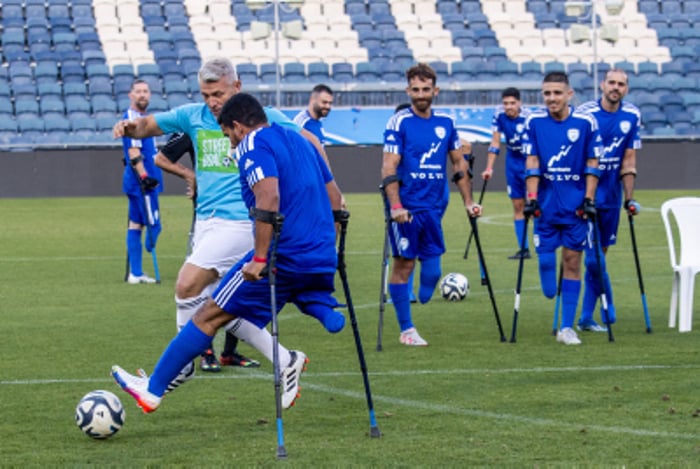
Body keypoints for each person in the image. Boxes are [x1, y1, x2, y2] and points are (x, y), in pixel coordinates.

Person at [111, 57, 335, 396]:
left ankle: (179, 368)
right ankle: (285, 358)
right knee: (222, 305)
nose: (213, 102)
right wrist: (129, 128)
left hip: (242, 223)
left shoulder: (262, 117)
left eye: (218, 93)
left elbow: (309, 142)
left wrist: (331, 190)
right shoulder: (192, 116)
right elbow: (148, 126)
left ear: (237, 87)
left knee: (186, 285)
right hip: (207, 221)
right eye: (206, 95)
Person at [381, 63, 481, 347]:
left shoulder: (446, 124)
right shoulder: (399, 122)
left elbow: (459, 164)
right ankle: (407, 329)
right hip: (408, 209)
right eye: (416, 89)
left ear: (435, 91)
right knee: (404, 265)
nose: (421, 94)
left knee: (433, 271)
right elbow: (389, 164)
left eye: (426, 89)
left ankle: (419, 301)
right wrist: (395, 205)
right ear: (408, 91)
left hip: (434, 208)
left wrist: (469, 202)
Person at [155, 132, 260, 369]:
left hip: (244, 217)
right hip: (209, 218)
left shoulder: (244, 126)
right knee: (200, 285)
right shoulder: (195, 125)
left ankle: (229, 352)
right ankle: (206, 352)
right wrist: (189, 175)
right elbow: (161, 157)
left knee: (238, 282)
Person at [521, 71, 603, 346]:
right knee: (545, 262)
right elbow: (532, 161)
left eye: (557, 93)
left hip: (575, 207)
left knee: (572, 262)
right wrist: (531, 198)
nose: (552, 98)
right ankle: (553, 298)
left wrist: (589, 199)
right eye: (547, 93)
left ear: (569, 94)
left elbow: (593, 164)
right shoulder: (534, 121)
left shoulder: (585, 122)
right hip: (545, 206)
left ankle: (566, 327)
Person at [575, 69, 642, 332]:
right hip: (586, 196)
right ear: (602, 85)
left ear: (626, 88)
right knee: (592, 260)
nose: (615, 87)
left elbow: (628, 160)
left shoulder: (632, 115)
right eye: (611, 82)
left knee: (599, 257)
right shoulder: (585, 113)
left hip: (612, 199)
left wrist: (630, 199)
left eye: (621, 84)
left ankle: (586, 318)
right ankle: (609, 303)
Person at [481, 87, 532, 260]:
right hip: (513, 162)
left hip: (530, 161)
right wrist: (489, 167)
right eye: (505, 103)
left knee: (536, 205)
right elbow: (495, 141)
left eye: (512, 103)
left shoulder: (529, 117)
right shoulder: (499, 115)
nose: (508, 107)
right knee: (518, 206)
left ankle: (542, 243)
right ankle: (524, 249)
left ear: (519, 103)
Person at [121, 79, 163, 284]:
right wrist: (144, 176)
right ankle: (148, 250)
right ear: (131, 95)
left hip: (145, 177)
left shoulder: (146, 118)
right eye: (138, 91)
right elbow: (133, 150)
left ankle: (135, 273)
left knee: (136, 223)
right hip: (141, 180)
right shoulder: (131, 118)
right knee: (154, 225)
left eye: (146, 91)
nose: (142, 95)